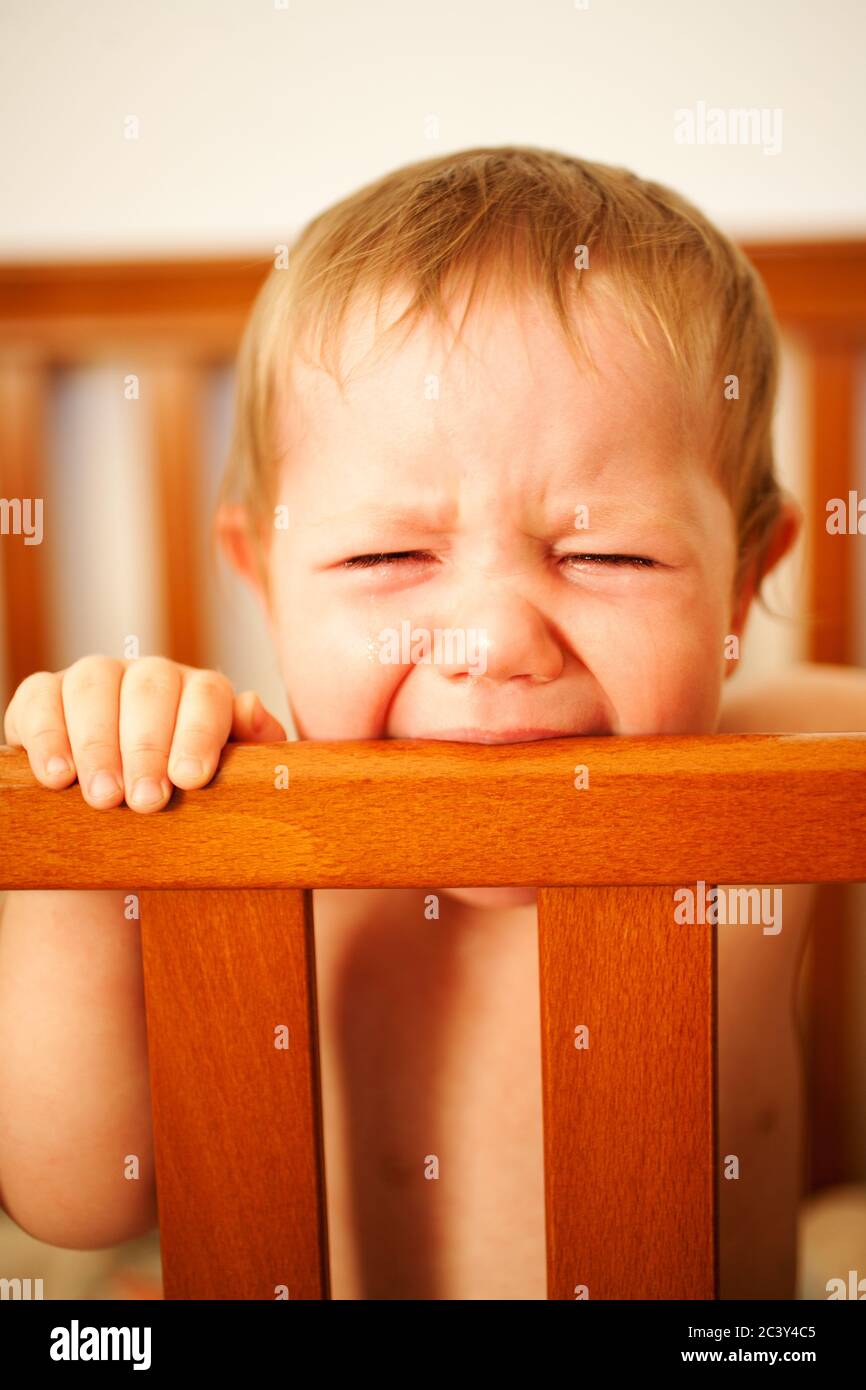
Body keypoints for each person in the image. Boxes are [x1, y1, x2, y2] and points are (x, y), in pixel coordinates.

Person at [1, 146, 863, 1299]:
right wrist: (85, 835)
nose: (491, 643)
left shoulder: (788, 771)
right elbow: (74, 1199)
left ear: (742, 570)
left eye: (603, 553)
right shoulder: (228, 808)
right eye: (387, 555)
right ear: (262, 573)